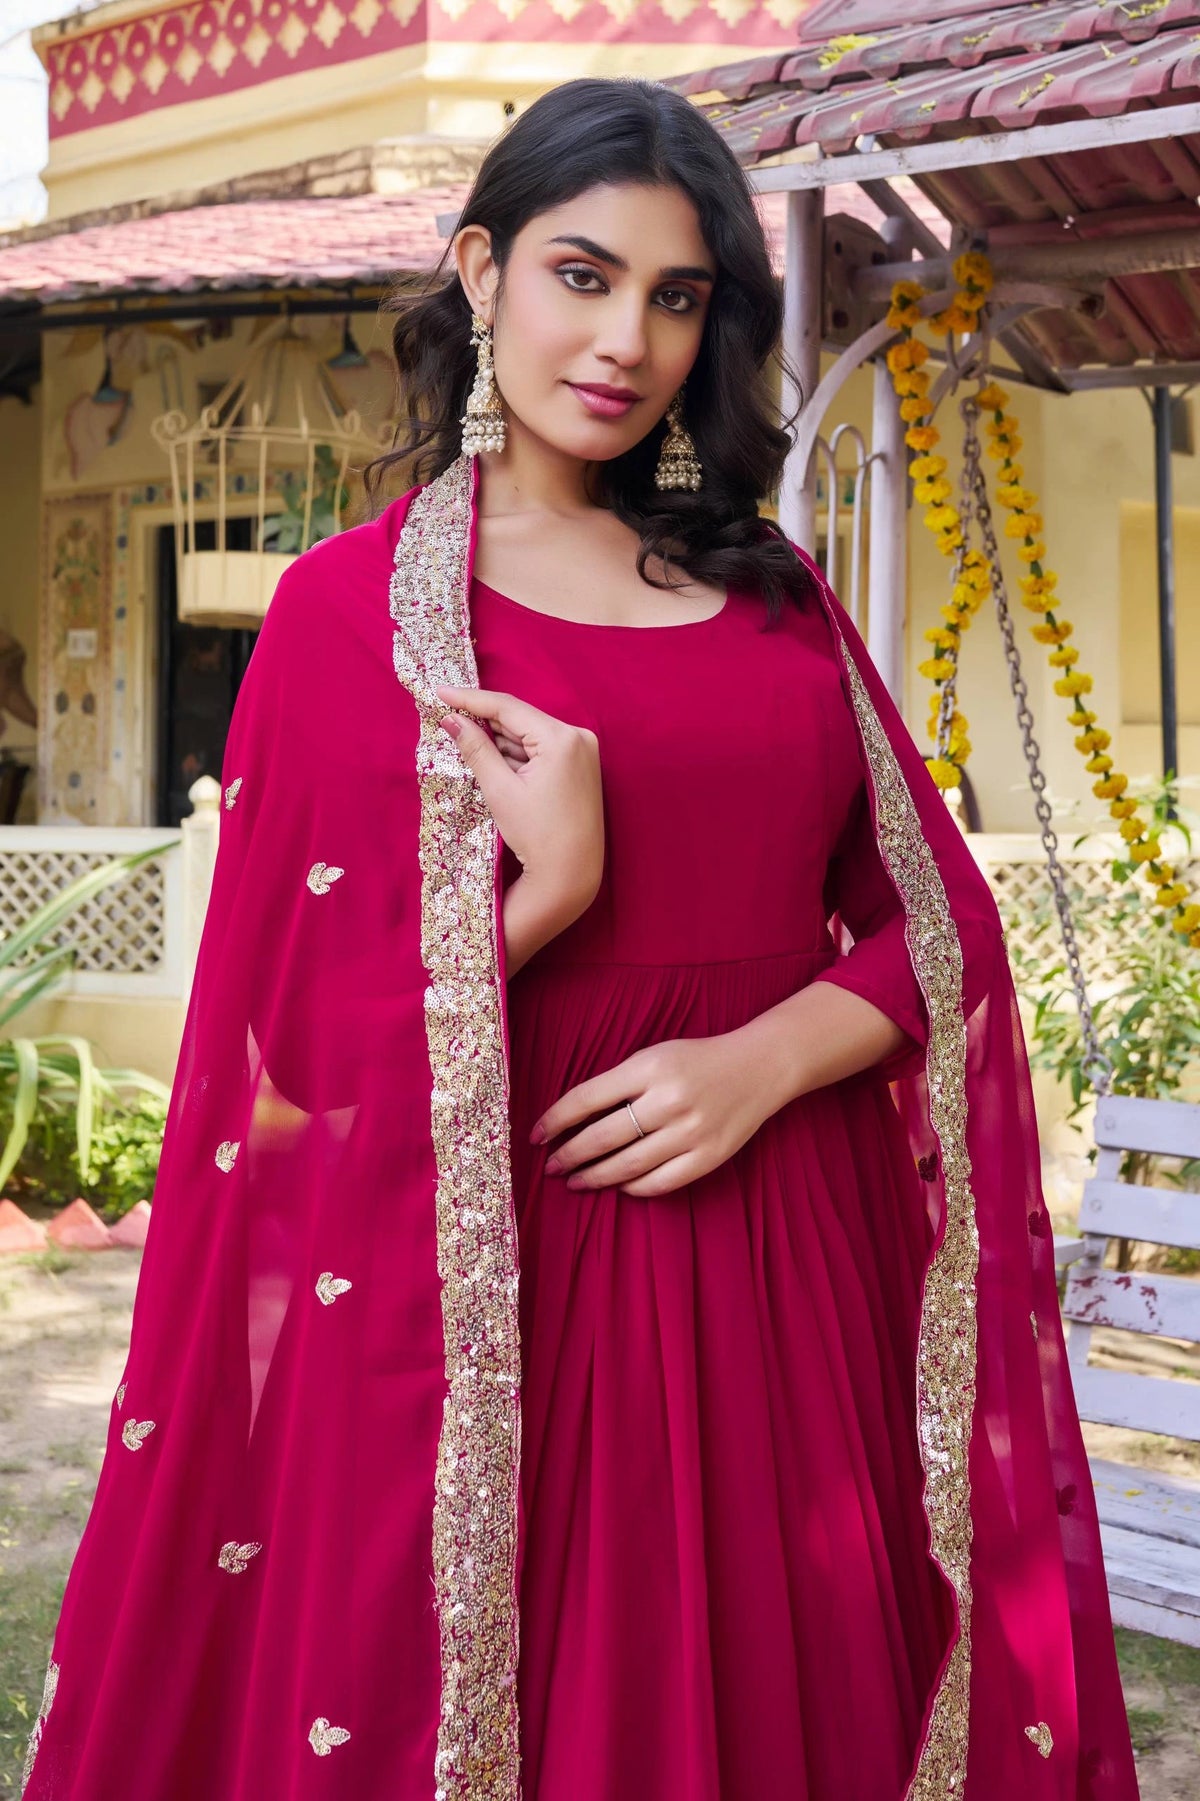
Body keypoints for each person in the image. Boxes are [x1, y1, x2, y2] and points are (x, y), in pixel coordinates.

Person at [22, 77, 1138, 1801]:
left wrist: (760, 1056)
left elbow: (948, 938)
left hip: (794, 1275)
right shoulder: (353, 617)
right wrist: (546, 891)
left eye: (677, 296)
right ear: (480, 274)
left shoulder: (773, 596)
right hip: (512, 1306)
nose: (625, 339)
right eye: (582, 274)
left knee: (797, 1713)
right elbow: (294, 1065)